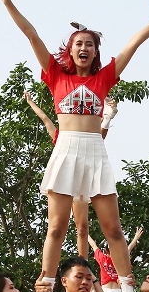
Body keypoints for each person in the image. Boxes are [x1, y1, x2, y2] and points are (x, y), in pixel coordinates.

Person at [4, 0, 149, 292]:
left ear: (95, 51)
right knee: (56, 227)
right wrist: (9, 2)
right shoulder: (55, 74)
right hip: (65, 150)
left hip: (94, 150)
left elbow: (132, 45)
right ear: (70, 49)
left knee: (112, 228)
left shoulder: (104, 78)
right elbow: (32, 35)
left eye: (89, 45)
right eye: (78, 44)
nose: (83, 49)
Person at [25, 89, 124, 260]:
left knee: (83, 227)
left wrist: (106, 117)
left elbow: (99, 138)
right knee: (56, 227)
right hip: (64, 180)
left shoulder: (89, 137)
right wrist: (31, 102)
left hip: (82, 179)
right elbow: (44, 118)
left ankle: (82, 261)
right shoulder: (59, 137)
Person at [92, 228, 143, 292]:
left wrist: (85, 233)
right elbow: (129, 248)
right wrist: (135, 238)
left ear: (106, 251)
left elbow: (94, 245)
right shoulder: (119, 260)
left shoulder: (103, 258)